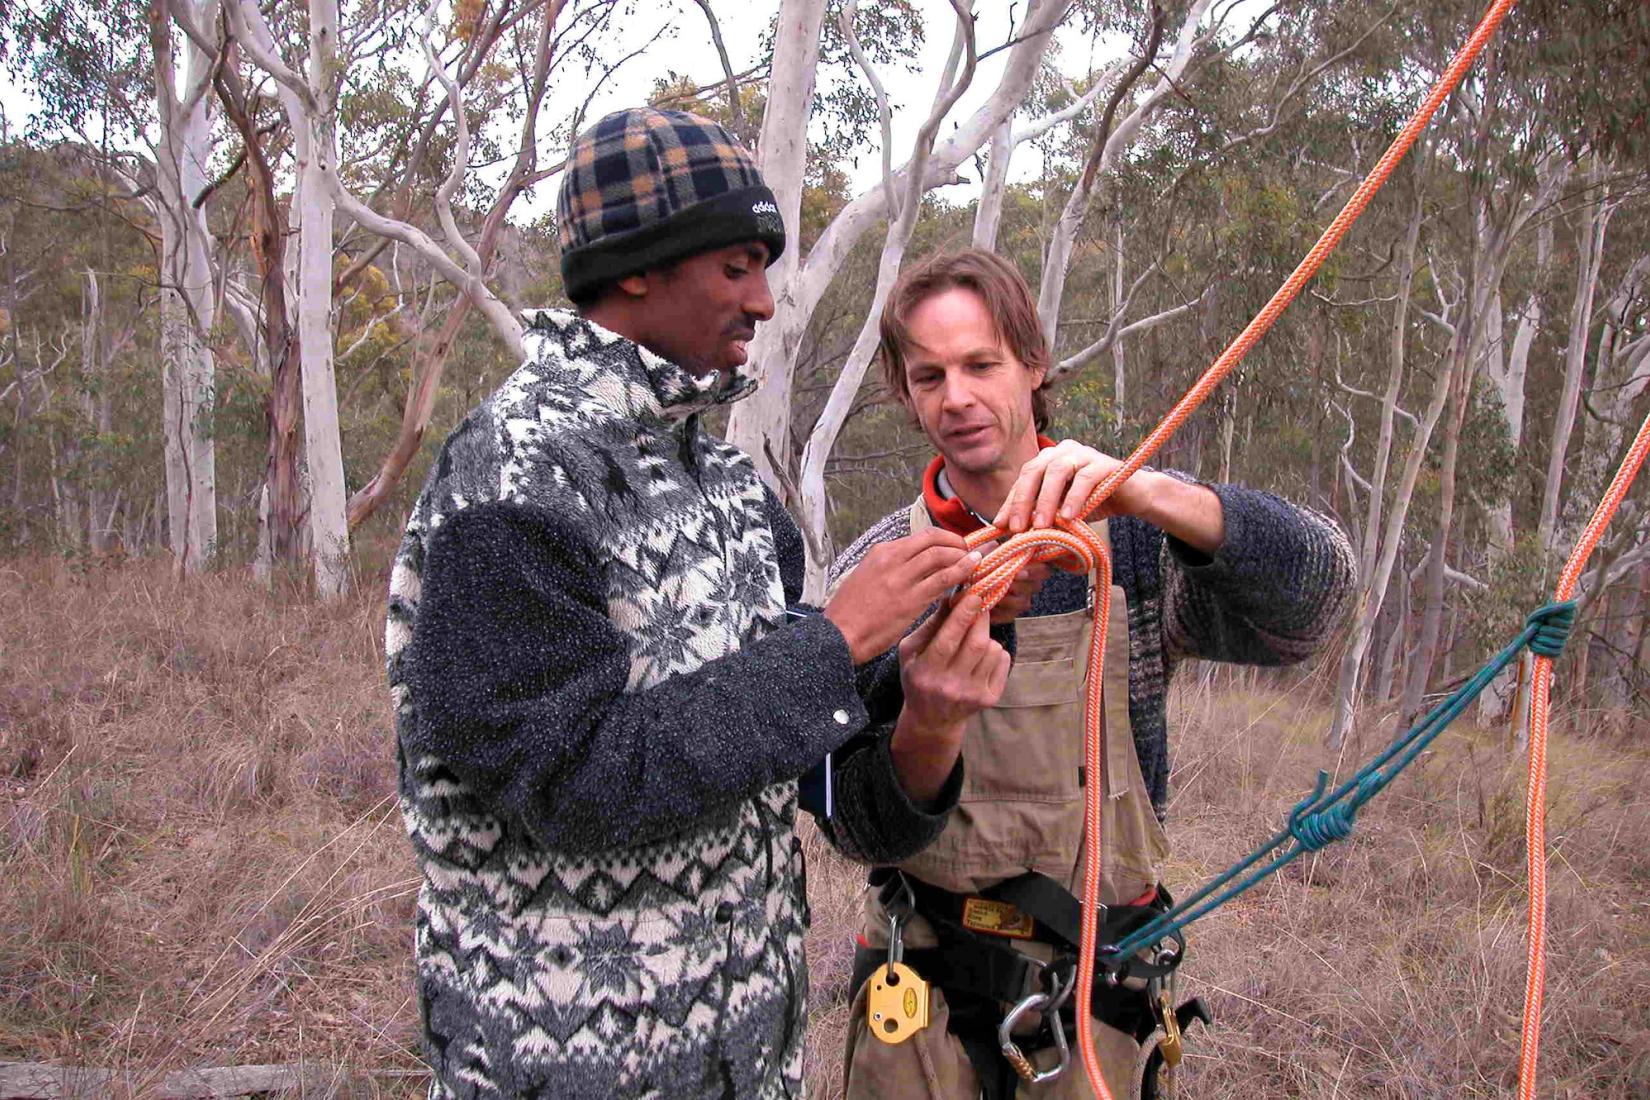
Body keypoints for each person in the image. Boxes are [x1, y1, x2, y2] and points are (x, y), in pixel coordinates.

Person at [384, 109, 1007, 1100]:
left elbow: (816, 779)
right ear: (636, 269)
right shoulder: (518, 470)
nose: (764, 299)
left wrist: (921, 705)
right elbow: (561, 777)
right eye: (736, 266)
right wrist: (838, 638)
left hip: (746, 1058)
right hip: (565, 1064)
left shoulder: (726, 484)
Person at [829, 250, 1357, 1099]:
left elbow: (1316, 606)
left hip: (1102, 1002)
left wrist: (1154, 494)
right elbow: (855, 830)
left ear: (1033, 364)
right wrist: (925, 718)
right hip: (922, 1004)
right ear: (904, 390)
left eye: (980, 364)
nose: (956, 397)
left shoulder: (1134, 540)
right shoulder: (881, 570)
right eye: (929, 375)